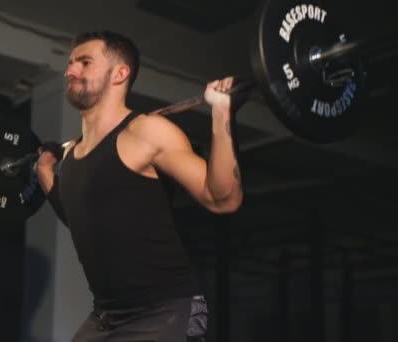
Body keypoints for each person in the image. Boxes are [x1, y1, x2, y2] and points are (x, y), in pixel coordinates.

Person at [35, 30, 244, 342]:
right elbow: (78, 218)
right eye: (70, 63)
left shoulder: (148, 132)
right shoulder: (75, 157)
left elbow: (223, 199)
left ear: (120, 74)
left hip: (164, 311)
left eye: (85, 62)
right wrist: (44, 171)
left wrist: (221, 115)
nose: (70, 70)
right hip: (106, 316)